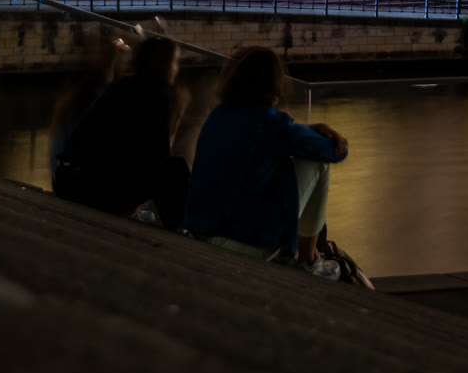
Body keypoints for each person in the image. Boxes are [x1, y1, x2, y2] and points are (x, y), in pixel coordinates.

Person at [185, 47, 349, 278]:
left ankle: (300, 255)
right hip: (242, 244)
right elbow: (334, 152)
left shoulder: (219, 115)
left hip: (201, 232)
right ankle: (308, 260)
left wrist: (304, 130)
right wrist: (327, 137)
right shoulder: (270, 123)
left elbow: (266, 136)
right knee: (317, 164)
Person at [52, 37, 191, 228]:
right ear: (165, 65)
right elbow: (159, 159)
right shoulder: (158, 96)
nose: (177, 68)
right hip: (90, 190)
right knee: (175, 169)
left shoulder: (122, 86)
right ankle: (184, 229)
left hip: (69, 180)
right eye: (175, 62)